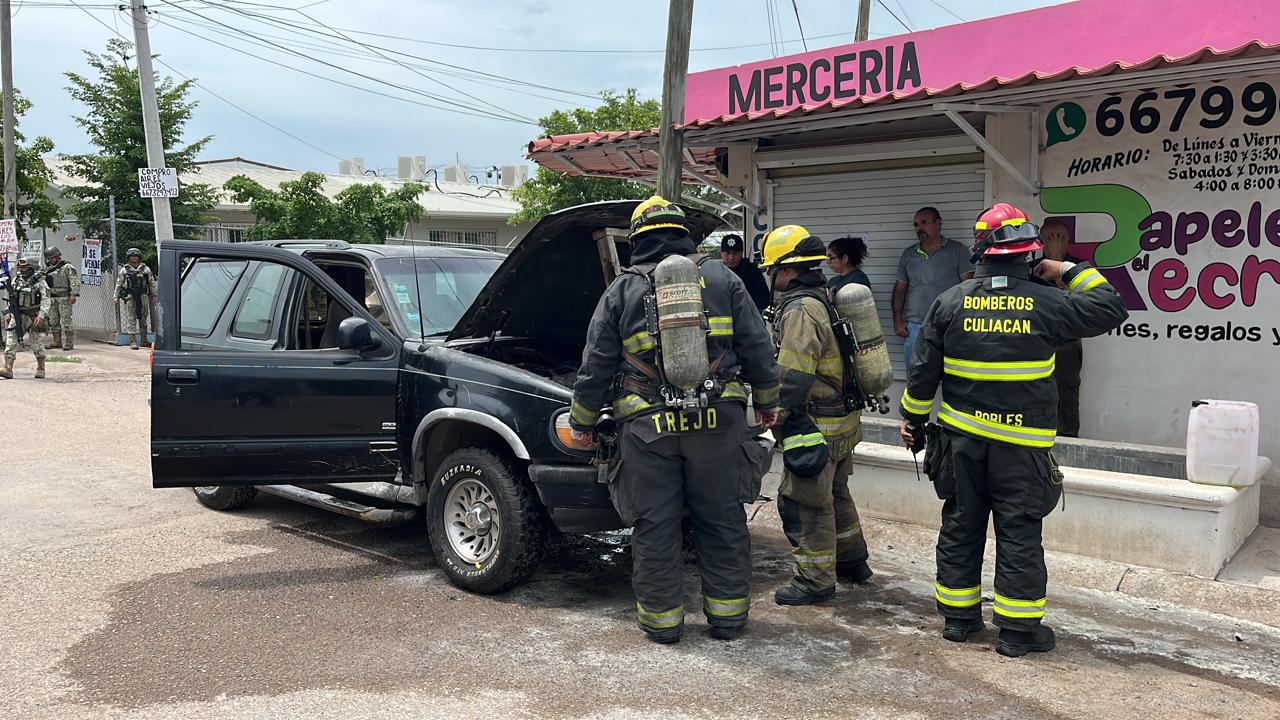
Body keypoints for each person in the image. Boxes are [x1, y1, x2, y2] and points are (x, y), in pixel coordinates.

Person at [897, 203, 1126, 657]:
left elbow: (923, 375)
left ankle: (960, 620)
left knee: (961, 524)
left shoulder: (949, 302)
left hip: (961, 445)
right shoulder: (1051, 302)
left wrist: (913, 422)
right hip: (1021, 450)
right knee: (1019, 531)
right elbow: (1109, 306)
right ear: (1030, 252)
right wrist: (1069, 267)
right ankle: (1019, 633)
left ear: (980, 250)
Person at [568, 196, 781, 644]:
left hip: (648, 428)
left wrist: (583, 420)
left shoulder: (623, 288)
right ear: (685, 233)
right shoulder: (723, 277)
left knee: (655, 523)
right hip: (718, 422)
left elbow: (597, 364)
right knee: (722, 518)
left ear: (639, 237)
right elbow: (757, 343)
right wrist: (767, 400)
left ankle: (662, 624)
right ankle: (728, 619)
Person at [760, 224, 873, 606]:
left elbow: (793, 373)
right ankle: (853, 562)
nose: (769, 276)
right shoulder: (824, 295)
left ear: (785, 268)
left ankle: (814, 580)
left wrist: (774, 410)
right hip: (841, 420)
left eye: (770, 269)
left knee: (807, 502)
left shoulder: (800, 309)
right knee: (837, 493)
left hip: (815, 425)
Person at [893, 207, 973, 364]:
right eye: (916, 225)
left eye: (924, 223)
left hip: (949, 327)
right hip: (915, 328)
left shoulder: (957, 251)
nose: (919, 228)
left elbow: (969, 287)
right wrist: (897, 321)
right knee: (915, 382)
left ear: (938, 224)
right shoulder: (909, 254)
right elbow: (900, 289)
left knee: (951, 379)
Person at [1037, 219, 1085, 438]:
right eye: (1049, 239)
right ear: (1040, 242)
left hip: (1067, 344)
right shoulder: (1031, 269)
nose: (1055, 242)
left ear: (1068, 241)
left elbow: (1073, 302)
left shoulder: (1080, 268)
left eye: (1060, 238)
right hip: (1036, 343)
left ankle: (1068, 443)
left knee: (1066, 397)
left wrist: (1057, 261)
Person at [2, 256, 50, 379]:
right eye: (21, 267)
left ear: (31, 267)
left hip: (34, 316)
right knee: (11, 341)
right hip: (19, 315)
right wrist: (10, 313)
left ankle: (41, 367)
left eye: (25, 267)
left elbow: (46, 299)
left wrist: (41, 315)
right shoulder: (16, 280)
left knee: (36, 343)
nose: (22, 269)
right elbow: (12, 298)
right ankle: (8, 368)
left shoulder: (40, 282)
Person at [115, 247, 156, 350]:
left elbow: (151, 283)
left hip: (143, 296)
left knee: (143, 318)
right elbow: (119, 284)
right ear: (128, 257)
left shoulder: (145, 269)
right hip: (130, 296)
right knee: (131, 318)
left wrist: (153, 295)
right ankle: (132, 341)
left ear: (139, 257)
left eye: (136, 256)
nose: (134, 258)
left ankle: (144, 340)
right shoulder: (125, 270)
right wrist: (115, 296)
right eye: (132, 256)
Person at [719, 234, 771, 312]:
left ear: (741, 253)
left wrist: (741, 300)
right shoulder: (717, 271)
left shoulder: (751, 271)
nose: (731, 257)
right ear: (721, 253)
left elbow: (764, 299)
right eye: (727, 253)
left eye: (735, 253)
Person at [43, 246, 82, 351]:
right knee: (53, 320)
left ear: (57, 256)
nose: (50, 260)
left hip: (64, 297)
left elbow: (74, 280)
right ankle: (57, 341)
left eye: (52, 258)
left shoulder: (67, 267)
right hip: (52, 298)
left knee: (66, 320)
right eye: (49, 258)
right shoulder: (46, 268)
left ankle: (69, 342)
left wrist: (73, 294)